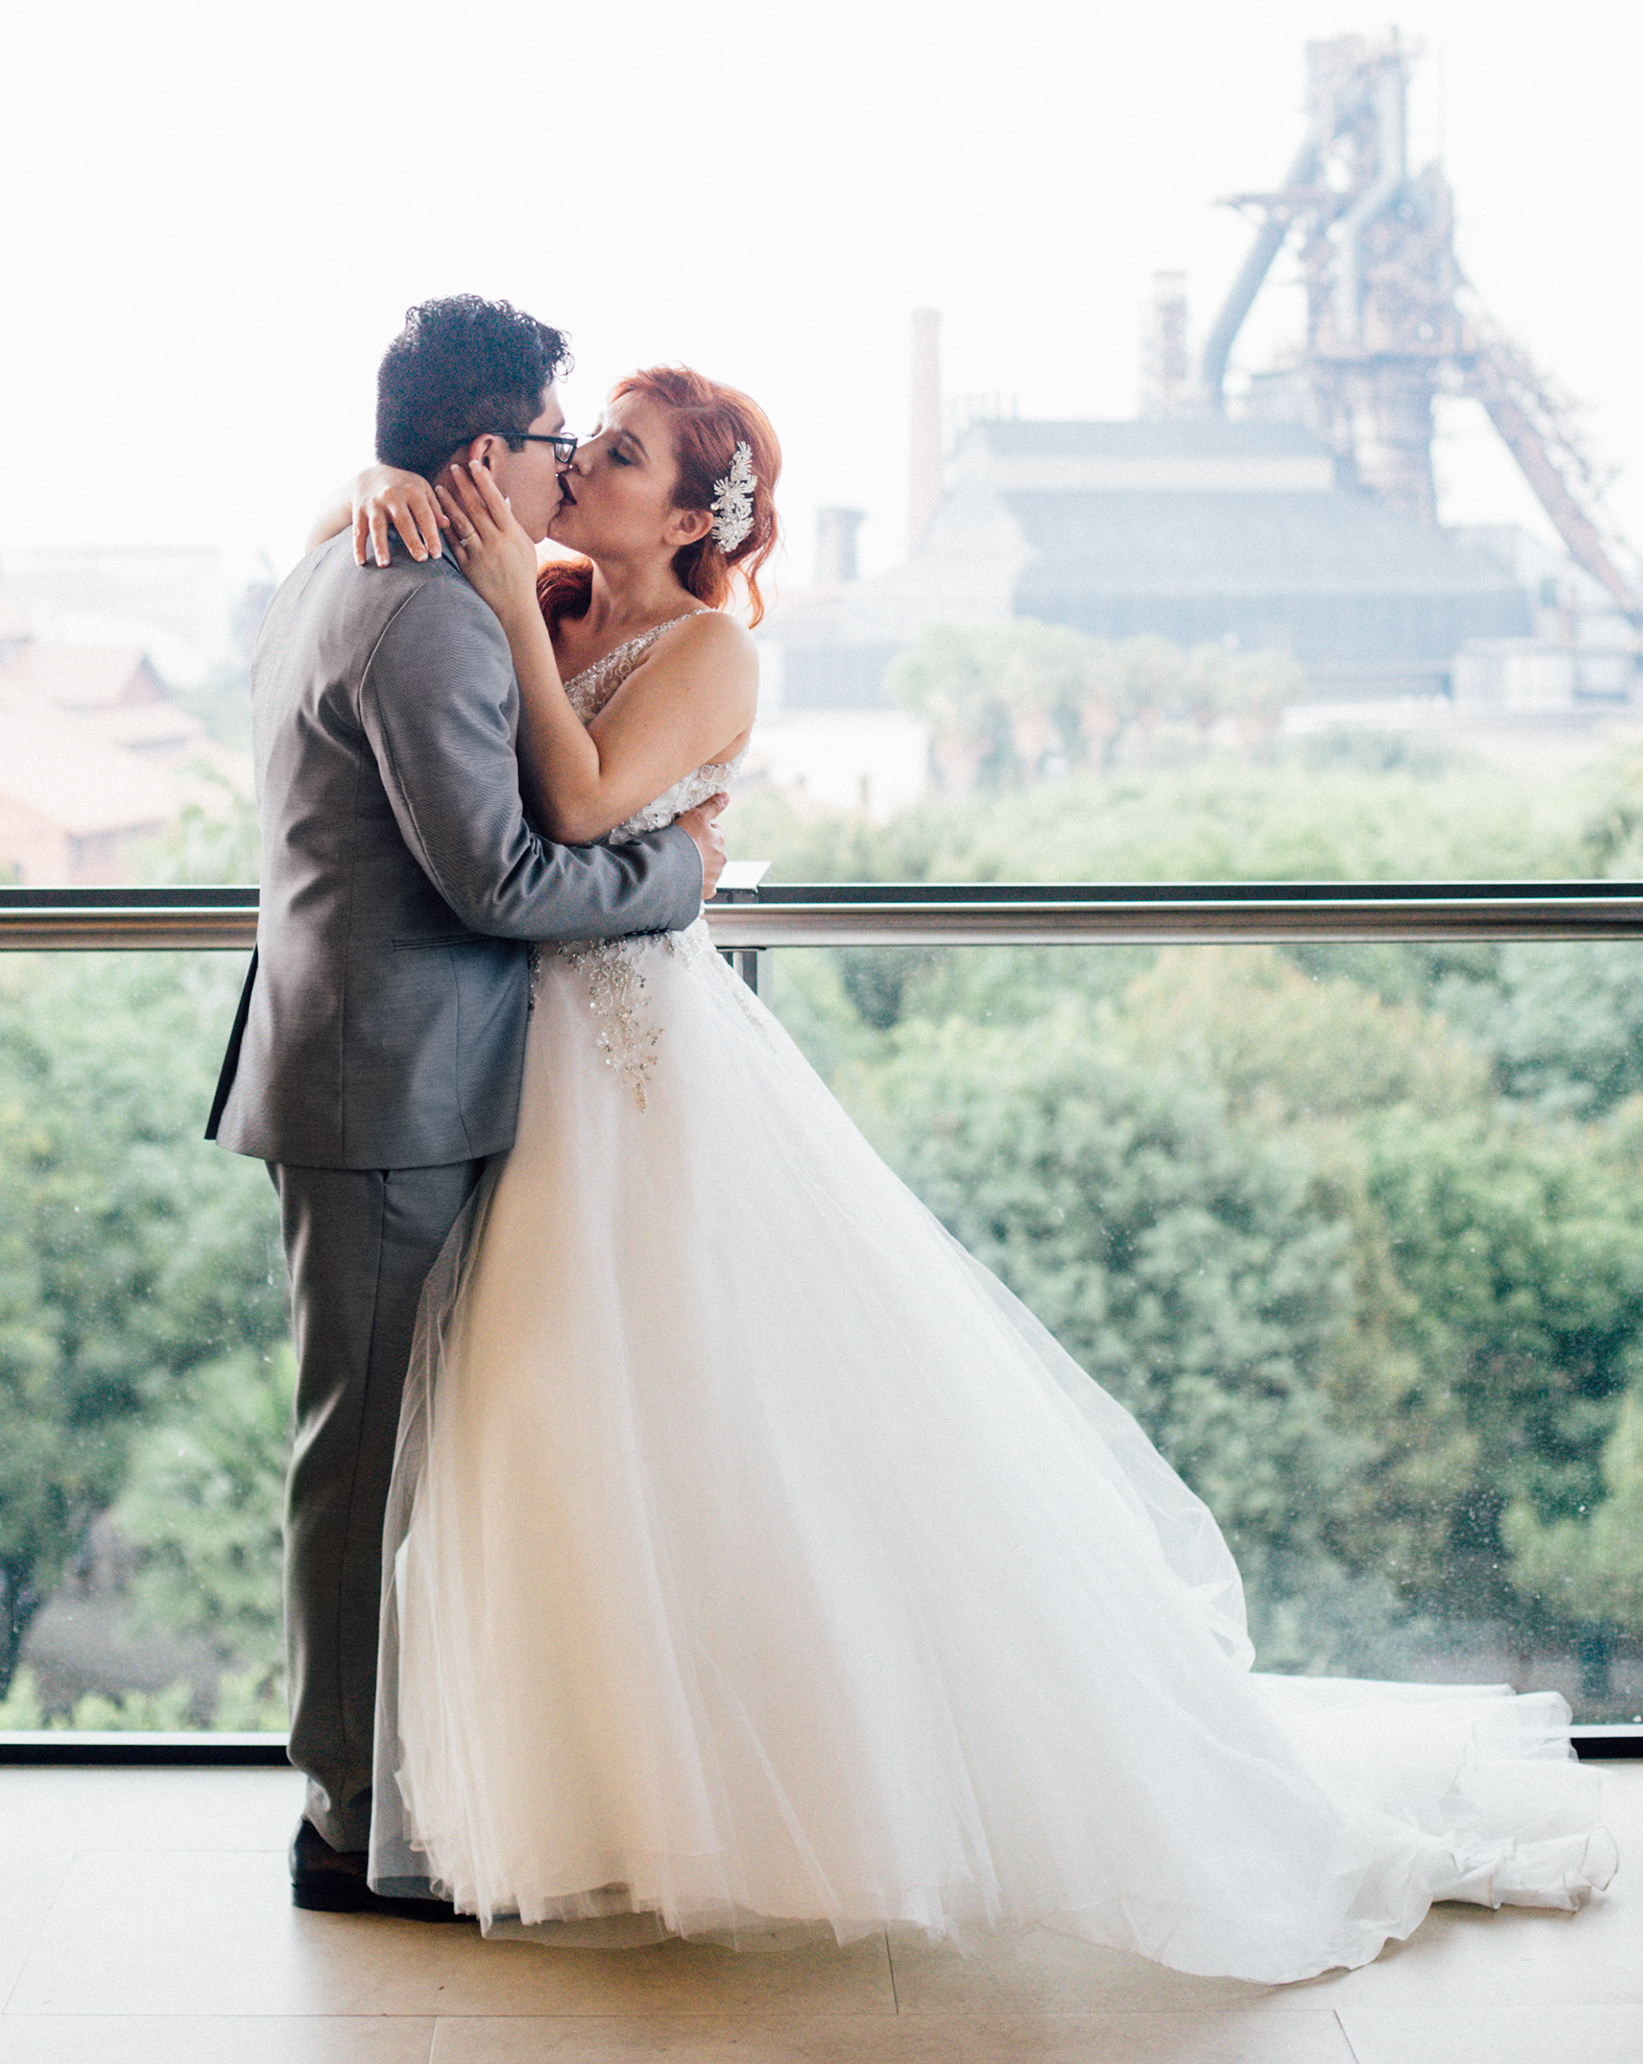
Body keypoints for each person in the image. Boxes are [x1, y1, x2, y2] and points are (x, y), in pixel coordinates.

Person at [337, 366, 1617, 1983]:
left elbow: (585, 804)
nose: (581, 462)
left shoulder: (709, 649)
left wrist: (519, 616)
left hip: (640, 1067)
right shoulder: (550, 591)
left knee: (718, 1416)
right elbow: (416, 630)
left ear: (694, 514)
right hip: (525, 1059)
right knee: (556, 1428)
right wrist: (379, 490)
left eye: (624, 454)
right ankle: (604, 1800)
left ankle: (813, 1798)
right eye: (584, 439)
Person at [206, 296, 728, 1918]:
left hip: (395, 1067)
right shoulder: (424, 608)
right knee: (365, 1462)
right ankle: (348, 1819)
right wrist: (681, 873)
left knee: (417, 1451)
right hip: (386, 1082)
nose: (572, 464)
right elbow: (501, 880)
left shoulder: (343, 560)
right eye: (563, 438)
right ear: (486, 452)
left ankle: (411, 1786)